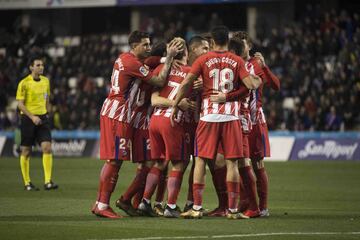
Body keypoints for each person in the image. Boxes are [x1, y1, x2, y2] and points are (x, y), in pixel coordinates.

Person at [171, 26, 261, 219]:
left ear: (212, 42)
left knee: (201, 160)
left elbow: (186, 82)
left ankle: (196, 207)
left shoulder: (204, 59)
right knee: (232, 163)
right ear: (227, 42)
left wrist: (175, 104)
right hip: (232, 117)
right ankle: (233, 210)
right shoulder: (237, 60)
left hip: (208, 116)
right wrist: (233, 94)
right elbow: (250, 86)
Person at [91, 31, 182, 219]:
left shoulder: (124, 59)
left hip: (118, 111)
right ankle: (102, 204)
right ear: (134, 46)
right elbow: (158, 80)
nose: (148, 48)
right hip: (119, 113)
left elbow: (152, 61)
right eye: (145, 45)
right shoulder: (133, 63)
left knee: (117, 160)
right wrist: (171, 57)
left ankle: (102, 203)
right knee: (115, 160)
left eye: (149, 45)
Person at [138, 38, 195, 218]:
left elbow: (154, 100)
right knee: (180, 163)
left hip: (155, 120)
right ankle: (171, 206)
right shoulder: (192, 73)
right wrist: (179, 104)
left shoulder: (162, 70)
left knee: (160, 162)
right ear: (186, 53)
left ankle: (145, 201)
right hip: (172, 121)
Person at [16, 56, 58, 191]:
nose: (41, 67)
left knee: (47, 147)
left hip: (43, 118)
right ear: (31, 67)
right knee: (26, 151)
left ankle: (48, 182)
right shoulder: (24, 83)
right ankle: (27, 183)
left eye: (42, 65)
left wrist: (47, 112)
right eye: (38, 65)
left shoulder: (46, 81)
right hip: (28, 119)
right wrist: (32, 117)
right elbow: (20, 105)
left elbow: (47, 98)